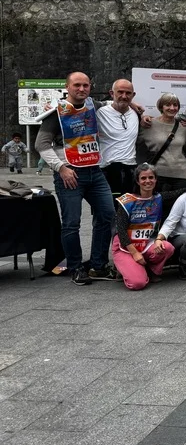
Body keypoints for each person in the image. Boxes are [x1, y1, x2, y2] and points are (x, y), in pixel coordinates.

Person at [35, 72, 117, 285]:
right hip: (69, 173)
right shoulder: (57, 113)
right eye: (77, 85)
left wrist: (135, 106)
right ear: (67, 87)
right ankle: (75, 267)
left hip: (94, 171)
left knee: (107, 215)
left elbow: (115, 103)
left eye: (85, 85)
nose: (81, 89)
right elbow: (41, 144)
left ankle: (98, 265)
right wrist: (61, 168)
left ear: (90, 87)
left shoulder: (93, 105)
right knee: (72, 223)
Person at [111, 163, 178, 290]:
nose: (148, 181)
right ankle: (125, 267)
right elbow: (121, 231)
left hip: (146, 244)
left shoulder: (159, 197)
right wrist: (135, 253)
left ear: (156, 179)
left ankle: (151, 271)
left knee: (168, 248)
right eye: (143, 178)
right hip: (126, 247)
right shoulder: (127, 201)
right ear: (137, 181)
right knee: (138, 283)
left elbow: (180, 192)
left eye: (151, 177)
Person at [137, 92, 186, 192]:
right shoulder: (148, 125)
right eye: (168, 105)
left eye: (175, 105)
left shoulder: (184, 128)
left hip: (181, 175)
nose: (172, 108)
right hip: (157, 175)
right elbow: (136, 145)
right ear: (161, 107)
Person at [98, 79, 140, 197]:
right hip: (107, 170)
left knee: (127, 207)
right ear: (112, 93)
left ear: (133, 95)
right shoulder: (99, 113)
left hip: (131, 170)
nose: (124, 96)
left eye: (128, 93)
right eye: (120, 92)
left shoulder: (137, 114)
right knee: (107, 207)